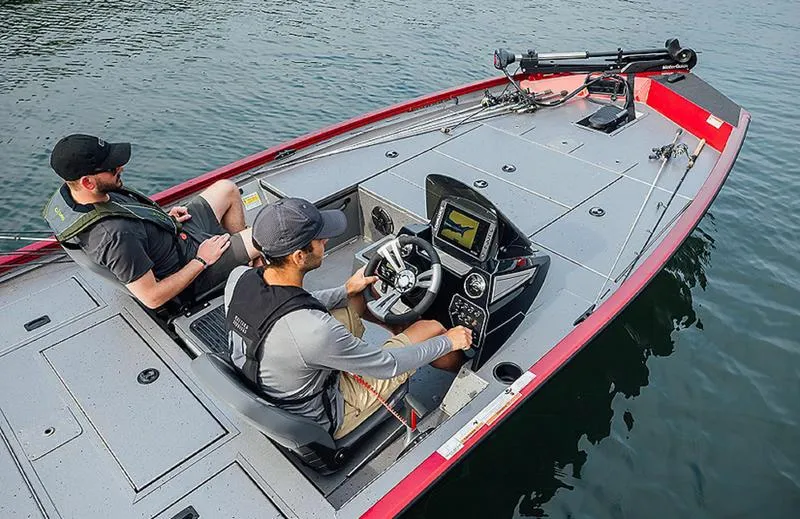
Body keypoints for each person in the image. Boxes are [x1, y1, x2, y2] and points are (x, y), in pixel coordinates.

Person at [225, 197, 472, 440]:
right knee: (432, 328)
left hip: (282, 379)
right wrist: (450, 341)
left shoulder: (239, 278)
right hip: (328, 410)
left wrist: (345, 290)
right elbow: (388, 365)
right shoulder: (314, 332)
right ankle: (466, 370)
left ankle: (401, 330)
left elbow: (289, 303)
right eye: (319, 238)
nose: (326, 240)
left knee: (355, 299)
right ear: (299, 256)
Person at [43, 134, 262, 309]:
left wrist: (164, 219)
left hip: (176, 235)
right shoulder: (115, 237)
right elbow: (152, 297)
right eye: (111, 168)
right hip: (191, 269)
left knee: (226, 189)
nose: (120, 168)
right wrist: (202, 260)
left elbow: (132, 216)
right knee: (265, 234)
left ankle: (245, 260)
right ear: (88, 182)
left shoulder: (83, 195)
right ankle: (251, 266)